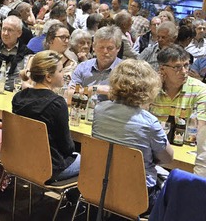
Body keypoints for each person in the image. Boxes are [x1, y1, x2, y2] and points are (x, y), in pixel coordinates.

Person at [92, 59, 173, 211]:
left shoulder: (99, 110)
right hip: (139, 195)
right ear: (149, 87)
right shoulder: (149, 122)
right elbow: (167, 158)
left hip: (100, 185)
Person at [12, 50, 80, 181]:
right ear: (48, 77)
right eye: (60, 71)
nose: (64, 75)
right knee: (90, 161)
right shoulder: (57, 103)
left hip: (20, 160)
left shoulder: (18, 97)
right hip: (49, 167)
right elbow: (67, 147)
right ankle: (74, 201)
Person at [149, 44, 206, 124]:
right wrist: (155, 87)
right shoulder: (150, 88)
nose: (184, 71)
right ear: (162, 69)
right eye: (177, 67)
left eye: (186, 65)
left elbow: (202, 126)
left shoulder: (200, 90)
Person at [67, 26, 123, 101]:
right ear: (93, 47)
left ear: (118, 48)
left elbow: (128, 98)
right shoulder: (83, 67)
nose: (105, 51)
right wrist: (93, 89)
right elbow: (69, 95)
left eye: (110, 48)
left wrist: (82, 91)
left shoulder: (124, 71)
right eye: (101, 47)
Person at [0, 15, 33, 90]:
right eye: (3, 29)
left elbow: (28, 81)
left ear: (19, 33)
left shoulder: (27, 55)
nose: (5, 33)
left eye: (10, 30)